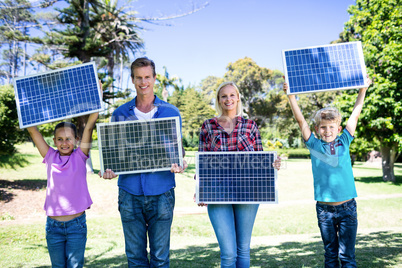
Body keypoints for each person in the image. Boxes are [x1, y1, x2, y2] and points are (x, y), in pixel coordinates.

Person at [100, 57, 187, 268]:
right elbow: (115, 153)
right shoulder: (119, 114)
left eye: (147, 77)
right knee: (135, 259)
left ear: (154, 78)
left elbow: (178, 149)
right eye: (139, 77)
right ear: (132, 79)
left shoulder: (171, 112)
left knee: (160, 259)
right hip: (129, 194)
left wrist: (180, 163)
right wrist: (110, 170)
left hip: (162, 193)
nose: (143, 82)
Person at [283, 76, 372, 267]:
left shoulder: (344, 141)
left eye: (332, 127)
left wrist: (362, 91)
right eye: (323, 127)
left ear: (338, 128)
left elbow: (355, 115)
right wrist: (291, 97)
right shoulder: (314, 145)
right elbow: (300, 121)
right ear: (317, 129)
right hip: (324, 211)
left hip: (348, 208)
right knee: (331, 255)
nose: (328, 130)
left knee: (347, 257)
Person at [198, 81, 281, 268]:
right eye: (224, 96)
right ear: (219, 100)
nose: (228, 99)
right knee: (228, 253)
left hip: (248, 192)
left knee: (243, 249)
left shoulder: (250, 126)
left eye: (232, 95)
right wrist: (201, 189)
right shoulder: (208, 126)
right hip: (218, 193)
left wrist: (272, 164)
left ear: (238, 98)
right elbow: (202, 162)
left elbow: (260, 159)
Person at [27, 111, 99, 268]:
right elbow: (33, 131)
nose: (64, 143)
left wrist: (95, 105)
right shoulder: (50, 156)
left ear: (77, 140)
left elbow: (88, 128)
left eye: (68, 139)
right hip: (53, 227)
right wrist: (26, 108)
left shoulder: (80, 156)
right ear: (54, 141)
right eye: (60, 139)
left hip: (76, 226)